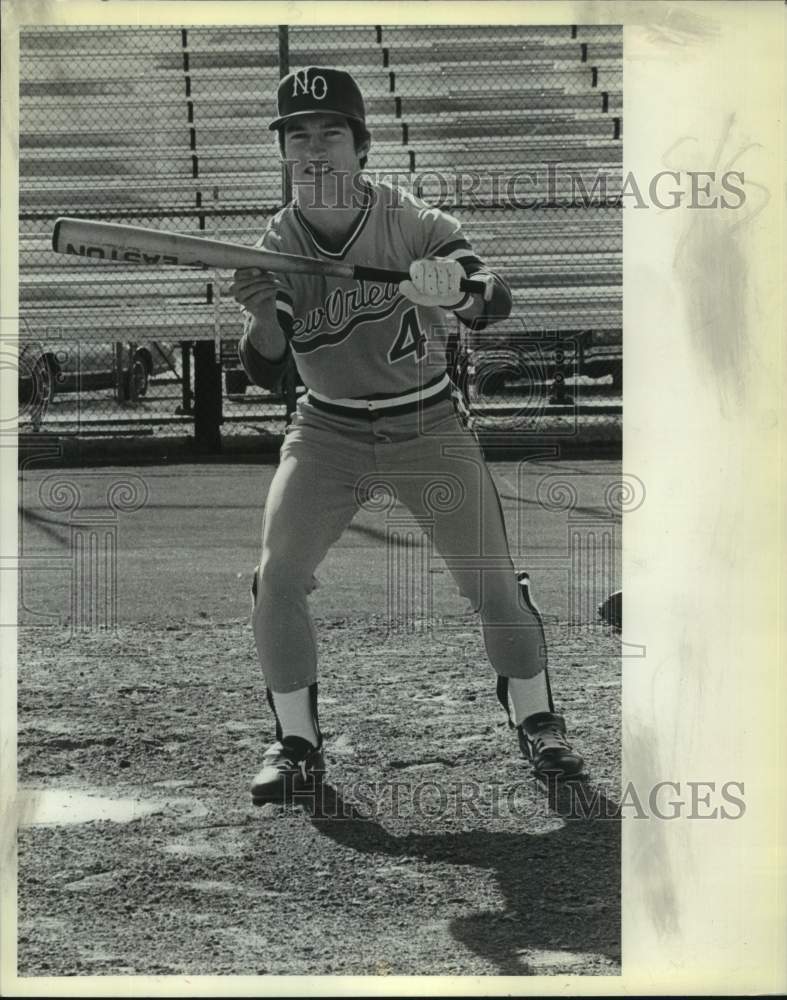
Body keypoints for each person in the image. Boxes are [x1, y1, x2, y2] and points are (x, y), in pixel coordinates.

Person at [230, 67, 584, 804]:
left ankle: (539, 722)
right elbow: (266, 372)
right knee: (277, 578)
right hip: (324, 432)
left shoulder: (409, 219)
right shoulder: (277, 243)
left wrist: (454, 291)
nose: (315, 149)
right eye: (298, 135)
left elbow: (493, 298)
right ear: (285, 154)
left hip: (425, 424)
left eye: (331, 133)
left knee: (491, 585)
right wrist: (264, 319)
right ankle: (297, 743)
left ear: (360, 147)